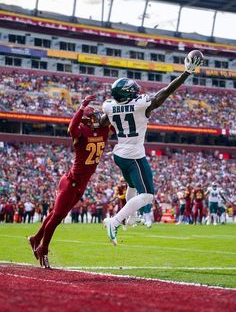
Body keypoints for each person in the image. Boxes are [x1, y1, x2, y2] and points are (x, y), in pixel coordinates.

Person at [101, 51, 203, 245]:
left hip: (119, 154)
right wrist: (186, 73)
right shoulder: (140, 105)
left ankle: (129, 218)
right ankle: (114, 221)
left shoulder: (109, 106)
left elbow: (102, 121)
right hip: (134, 155)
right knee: (147, 195)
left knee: (131, 185)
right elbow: (164, 93)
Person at [28, 94, 110, 268]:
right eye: (93, 115)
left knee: (56, 215)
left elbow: (114, 121)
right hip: (70, 182)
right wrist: (82, 107)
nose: (96, 117)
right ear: (86, 119)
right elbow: (72, 127)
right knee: (57, 217)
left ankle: (35, 238)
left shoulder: (103, 130)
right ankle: (43, 248)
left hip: (81, 184)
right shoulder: (81, 130)